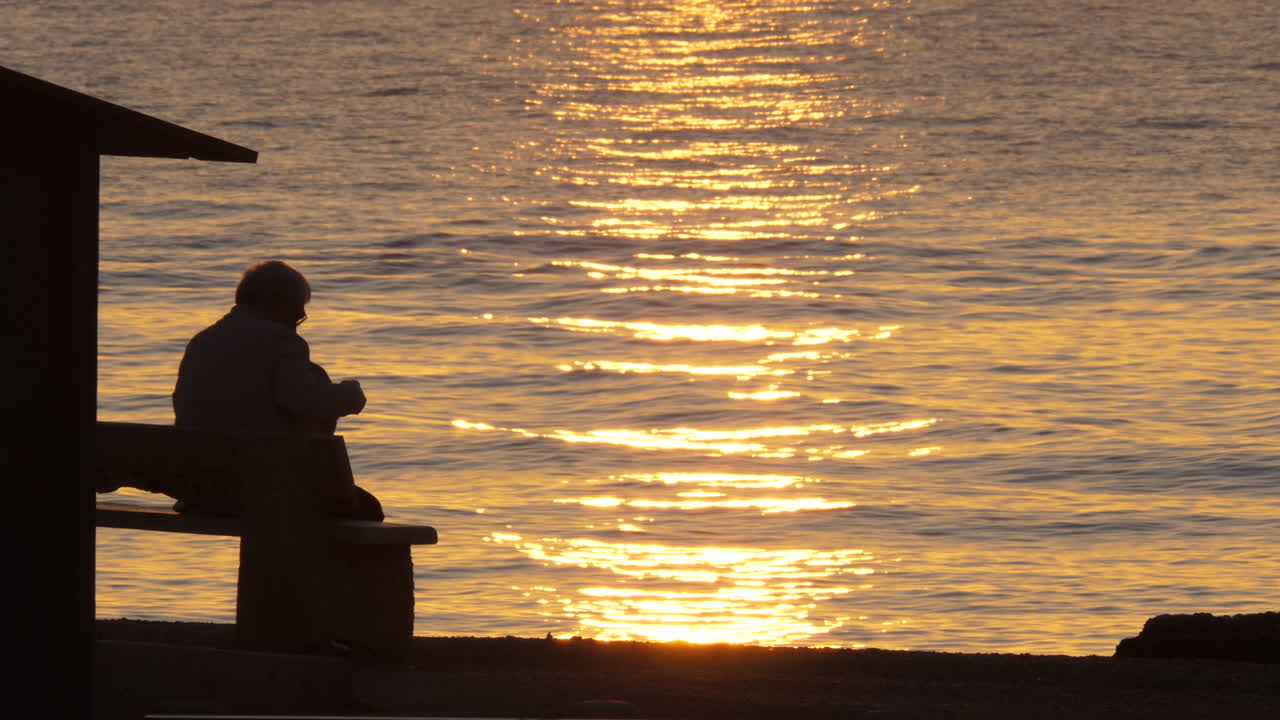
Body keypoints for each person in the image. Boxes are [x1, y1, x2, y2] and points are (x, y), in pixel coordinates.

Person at [172, 260, 383, 520]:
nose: (297, 321)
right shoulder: (282, 341)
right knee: (368, 510)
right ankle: (301, 562)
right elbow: (302, 399)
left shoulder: (202, 341)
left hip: (200, 490)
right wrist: (348, 396)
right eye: (298, 312)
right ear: (279, 303)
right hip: (261, 488)